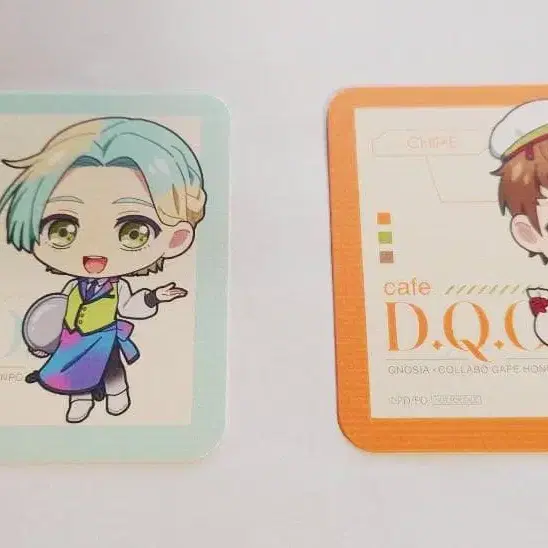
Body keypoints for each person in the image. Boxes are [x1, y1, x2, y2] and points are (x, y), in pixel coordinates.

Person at [0, 117, 206, 423]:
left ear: (176, 239)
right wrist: (44, 337)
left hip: (104, 338)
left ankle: (118, 393)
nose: (94, 254)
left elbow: (129, 306)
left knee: (111, 369)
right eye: (61, 229)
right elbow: (57, 307)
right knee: (72, 372)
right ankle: (80, 399)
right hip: (73, 338)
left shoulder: (116, 287)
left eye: (133, 232)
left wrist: (154, 297)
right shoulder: (73, 287)